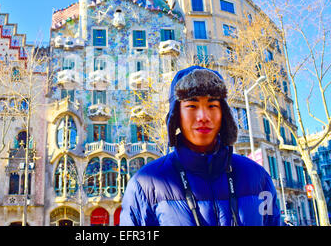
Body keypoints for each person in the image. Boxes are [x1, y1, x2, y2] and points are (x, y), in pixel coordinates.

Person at [120, 66, 280, 226]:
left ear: (223, 114)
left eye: (212, 105)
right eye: (192, 106)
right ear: (177, 116)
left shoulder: (258, 178)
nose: (203, 117)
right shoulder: (144, 186)